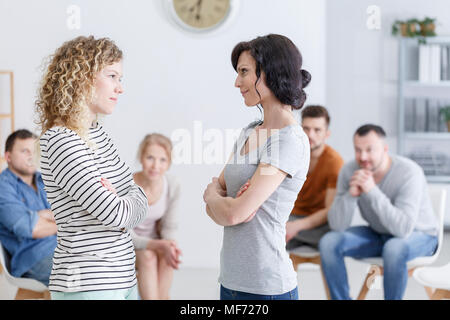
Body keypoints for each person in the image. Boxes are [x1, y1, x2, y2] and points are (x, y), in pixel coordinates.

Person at [36, 36, 148, 300]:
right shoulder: (60, 140)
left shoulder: (97, 134)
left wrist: (130, 197)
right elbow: (117, 214)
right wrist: (132, 199)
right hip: (88, 283)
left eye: (120, 78)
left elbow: (134, 196)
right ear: (81, 77)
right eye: (112, 76)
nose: (119, 88)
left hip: (123, 276)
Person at [203, 34, 311, 300]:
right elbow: (221, 207)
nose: (237, 82)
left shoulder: (288, 139)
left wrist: (215, 197)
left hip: (266, 287)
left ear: (271, 72)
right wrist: (217, 198)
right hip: (230, 280)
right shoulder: (252, 131)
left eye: (244, 72)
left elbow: (231, 214)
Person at [319, 124, 439, 300]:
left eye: (369, 150)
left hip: (420, 234)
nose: (363, 157)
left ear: (385, 149)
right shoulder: (350, 170)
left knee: (394, 248)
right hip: (379, 233)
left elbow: (403, 229)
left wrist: (372, 191)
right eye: (358, 150)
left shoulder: (409, 173)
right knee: (329, 242)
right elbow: (337, 225)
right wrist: (350, 196)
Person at [0, 129, 57, 286]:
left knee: (121, 257)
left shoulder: (43, 179)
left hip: (63, 246)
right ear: (8, 157)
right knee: (88, 272)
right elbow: (33, 228)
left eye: (34, 151)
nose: (32, 156)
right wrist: (63, 221)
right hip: (33, 257)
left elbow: (69, 210)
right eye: (25, 151)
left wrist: (45, 216)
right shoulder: (3, 187)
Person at [130, 133, 182, 300]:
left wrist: (170, 245)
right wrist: (157, 245)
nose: (155, 166)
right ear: (141, 157)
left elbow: (170, 227)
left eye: (162, 160)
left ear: (169, 163)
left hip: (156, 242)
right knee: (148, 257)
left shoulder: (172, 185)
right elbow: (123, 232)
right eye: (150, 158)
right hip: (128, 245)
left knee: (168, 255)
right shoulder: (128, 184)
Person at [286, 105, 343, 249]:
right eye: (306, 128)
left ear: (326, 134)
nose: (310, 135)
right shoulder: (291, 154)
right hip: (291, 217)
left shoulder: (334, 162)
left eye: (317, 130)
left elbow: (329, 210)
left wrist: (295, 226)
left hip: (318, 224)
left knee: (333, 235)